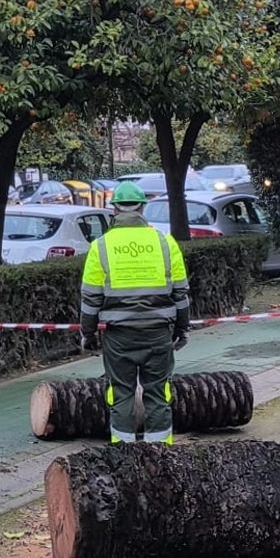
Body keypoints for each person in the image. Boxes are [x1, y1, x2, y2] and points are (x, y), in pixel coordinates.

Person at [78, 180, 189, 445]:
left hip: (119, 337)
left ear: (114, 209)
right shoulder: (165, 243)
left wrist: (87, 333)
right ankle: (160, 455)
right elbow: (181, 293)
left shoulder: (100, 246)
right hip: (158, 333)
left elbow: (90, 298)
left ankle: (124, 457)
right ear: (142, 208)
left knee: (120, 394)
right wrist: (182, 329)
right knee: (158, 394)